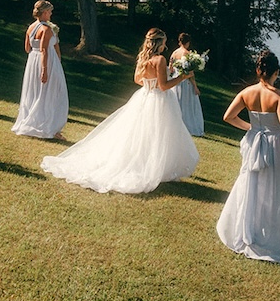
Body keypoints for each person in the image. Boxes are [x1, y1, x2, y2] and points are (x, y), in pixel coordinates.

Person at [41, 28, 198, 194]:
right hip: (158, 100)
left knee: (141, 134)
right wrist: (182, 77)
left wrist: (152, 82)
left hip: (144, 95)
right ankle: (148, 167)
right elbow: (164, 86)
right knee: (157, 134)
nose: (165, 45)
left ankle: (146, 165)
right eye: (164, 42)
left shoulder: (143, 58)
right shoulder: (159, 60)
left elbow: (137, 80)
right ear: (159, 43)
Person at [217, 50, 280, 262]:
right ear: (276, 72)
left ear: (258, 70)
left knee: (252, 186)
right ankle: (270, 237)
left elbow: (228, 116)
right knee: (275, 191)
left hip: (253, 143)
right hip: (275, 146)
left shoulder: (246, 92)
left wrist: (251, 127)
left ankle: (247, 230)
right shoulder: (279, 96)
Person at [11, 0, 68, 139]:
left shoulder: (31, 27)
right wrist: (45, 70)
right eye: (49, 11)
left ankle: (39, 123)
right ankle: (48, 127)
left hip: (32, 61)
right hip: (47, 62)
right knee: (51, 93)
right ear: (44, 12)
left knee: (35, 92)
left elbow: (27, 48)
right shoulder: (46, 29)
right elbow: (44, 51)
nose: (51, 14)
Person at [169, 32, 205, 136]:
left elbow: (170, 68)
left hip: (175, 81)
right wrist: (195, 86)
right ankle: (186, 125)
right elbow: (190, 73)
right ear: (188, 42)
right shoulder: (187, 53)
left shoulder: (174, 53)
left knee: (176, 102)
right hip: (185, 82)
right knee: (187, 104)